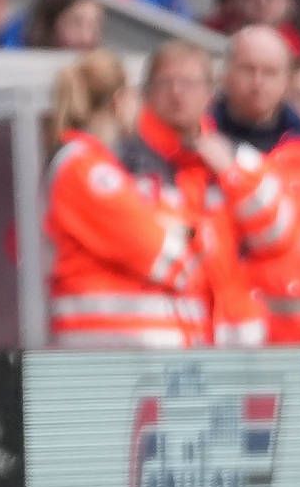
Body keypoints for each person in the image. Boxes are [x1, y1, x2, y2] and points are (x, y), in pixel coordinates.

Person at [119, 41, 282, 347]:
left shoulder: (236, 157)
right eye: (166, 82)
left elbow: (276, 235)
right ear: (147, 92)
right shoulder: (125, 162)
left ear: (210, 92)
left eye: (189, 83)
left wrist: (231, 174)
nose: (177, 93)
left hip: (235, 339)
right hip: (161, 337)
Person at [42, 49, 200, 346]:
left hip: (115, 349)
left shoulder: (92, 163)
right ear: (119, 101)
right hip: (109, 348)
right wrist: (172, 232)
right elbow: (167, 257)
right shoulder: (87, 169)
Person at [212, 26, 300, 344]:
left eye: (270, 72)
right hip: (220, 337)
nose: (258, 82)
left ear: (287, 82)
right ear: (226, 74)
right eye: (248, 70)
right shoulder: (198, 149)